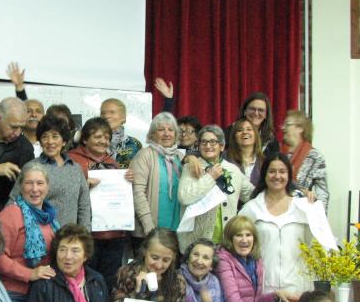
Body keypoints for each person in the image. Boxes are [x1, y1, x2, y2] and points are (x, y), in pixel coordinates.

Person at [239, 154, 313, 302]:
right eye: (272, 171)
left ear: (289, 175)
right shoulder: (252, 208)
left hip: (296, 291)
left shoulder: (304, 208)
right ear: (264, 175)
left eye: (282, 171)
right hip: (263, 293)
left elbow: (315, 250)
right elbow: (235, 245)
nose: (277, 176)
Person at [0, 162, 58, 302]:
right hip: (15, 296)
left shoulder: (49, 218)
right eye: (29, 183)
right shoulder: (10, 214)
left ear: (47, 186)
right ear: (21, 186)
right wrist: (30, 273)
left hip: (40, 296)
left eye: (40, 183)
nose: (35, 189)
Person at [68, 117, 129, 289]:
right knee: (85, 279)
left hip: (114, 233)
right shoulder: (71, 161)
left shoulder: (113, 164)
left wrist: (127, 180)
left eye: (106, 138)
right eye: (98, 136)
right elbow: (63, 194)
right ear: (85, 139)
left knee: (109, 282)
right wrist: (84, 186)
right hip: (87, 233)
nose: (103, 141)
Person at [178, 125, 253, 250]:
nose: (208, 146)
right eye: (204, 142)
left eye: (213, 142)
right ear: (198, 145)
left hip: (226, 243)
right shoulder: (190, 167)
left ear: (222, 146)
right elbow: (184, 197)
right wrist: (210, 177)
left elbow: (251, 194)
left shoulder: (233, 170)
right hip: (196, 244)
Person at [8, 114, 90, 228]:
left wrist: (84, 236)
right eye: (45, 137)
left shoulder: (75, 169)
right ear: (40, 142)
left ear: (64, 141)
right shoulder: (31, 167)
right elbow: (14, 200)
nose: (50, 141)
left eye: (55, 136)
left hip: (69, 239)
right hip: (39, 237)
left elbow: (84, 206)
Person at [131, 112, 184, 241]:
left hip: (176, 230)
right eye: (161, 130)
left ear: (176, 134)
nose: (166, 134)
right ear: (152, 134)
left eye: (171, 130)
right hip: (149, 231)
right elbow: (137, 192)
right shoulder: (144, 155)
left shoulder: (180, 157)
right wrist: (149, 227)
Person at [283, 110, 329, 211]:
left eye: (287, 125)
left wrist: (319, 218)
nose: (283, 128)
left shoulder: (315, 157)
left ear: (300, 128)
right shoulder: (277, 153)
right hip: (275, 207)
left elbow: (322, 193)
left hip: (300, 211)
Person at [5, 61, 44, 157]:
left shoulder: (50, 143)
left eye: (38, 111)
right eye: (28, 111)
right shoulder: (11, 141)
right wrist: (19, 88)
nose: (33, 115)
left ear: (44, 116)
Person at [226, 91, 279, 156]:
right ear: (245, 111)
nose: (256, 113)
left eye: (261, 110)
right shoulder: (229, 133)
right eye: (252, 109)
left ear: (266, 115)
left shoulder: (271, 142)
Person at [101, 97, 142, 169]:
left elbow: (144, 171)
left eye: (112, 112)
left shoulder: (135, 144)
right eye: (103, 113)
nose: (106, 116)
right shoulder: (92, 143)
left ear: (123, 117)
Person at [224, 117, 263, 187]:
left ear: (256, 135)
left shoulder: (264, 162)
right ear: (234, 137)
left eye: (249, 129)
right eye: (239, 130)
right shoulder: (224, 158)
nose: (245, 132)